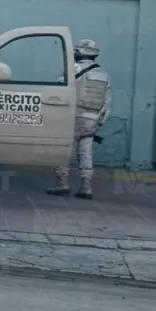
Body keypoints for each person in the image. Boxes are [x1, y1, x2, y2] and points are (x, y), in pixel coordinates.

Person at [48, 38, 112, 200]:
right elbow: (106, 101)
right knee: (86, 151)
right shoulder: (103, 74)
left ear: (78, 52)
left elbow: (60, 89)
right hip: (92, 118)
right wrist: (99, 122)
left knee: (65, 151)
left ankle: (62, 184)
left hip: (72, 116)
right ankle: (86, 187)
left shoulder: (73, 69)